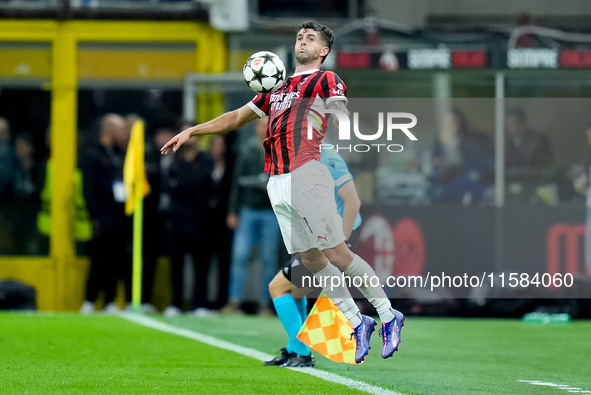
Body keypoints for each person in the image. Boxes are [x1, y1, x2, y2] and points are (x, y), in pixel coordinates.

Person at [161, 20, 405, 364]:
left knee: (336, 253)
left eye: (311, 38)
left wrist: (341, 120)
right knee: (311, 259)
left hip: (307, 172)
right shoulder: (276, 85)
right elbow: (233, 118)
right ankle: (356, 320)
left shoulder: (325, 78)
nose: (303, 40)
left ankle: (388, 313)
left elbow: (339, 107)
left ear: (324, 51)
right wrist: (192, 131)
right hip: (277, 180)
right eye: (299, 36)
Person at [265, 146, 362, 367]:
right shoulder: (301, 157)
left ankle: (301, 351)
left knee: (278, 287)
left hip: (329, 242)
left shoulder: (326, 155)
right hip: (315, 239)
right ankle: (294, 350)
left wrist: (341, 243)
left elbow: (353, 201)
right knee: (296, 294)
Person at [221, 117, 280, 316]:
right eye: (262, 125)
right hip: (248, 210)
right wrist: (232, 211)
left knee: (269, 260)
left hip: (271, 212)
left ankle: (265, 304)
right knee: (240, 256)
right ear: (257, 128)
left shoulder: (278, 151)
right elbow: (236, 183)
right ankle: (234, 301)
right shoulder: (246, 150)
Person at [80, 114, 132, 314]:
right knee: (100, 258)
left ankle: (110, 300)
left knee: (116, 259)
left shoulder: (118, 154)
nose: (124, 134)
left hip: (120, 214)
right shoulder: (92, 155)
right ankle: (90, 300)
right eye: (120, 129)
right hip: (103, 216)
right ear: (109, 130)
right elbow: (89, 189)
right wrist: (94, 217)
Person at [163, 132, 213, 316]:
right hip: (176, 218)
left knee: (200, 263)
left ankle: (199, 303)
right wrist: (190, 185)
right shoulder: (174, 159)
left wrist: (181, 185)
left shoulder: (205, 158)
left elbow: (204, 180)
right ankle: (175, 303)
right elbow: (169, 186)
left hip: (198, 219)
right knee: (176, 263)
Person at [429, 108, 494, 204]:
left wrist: (460, 167)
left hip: (469, 179)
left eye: (452, 121)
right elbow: (435, 158)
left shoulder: (472, 140)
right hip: (445, 179)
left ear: (459, 122)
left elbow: (483, 164)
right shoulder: (440, 139)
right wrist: (439, 163)